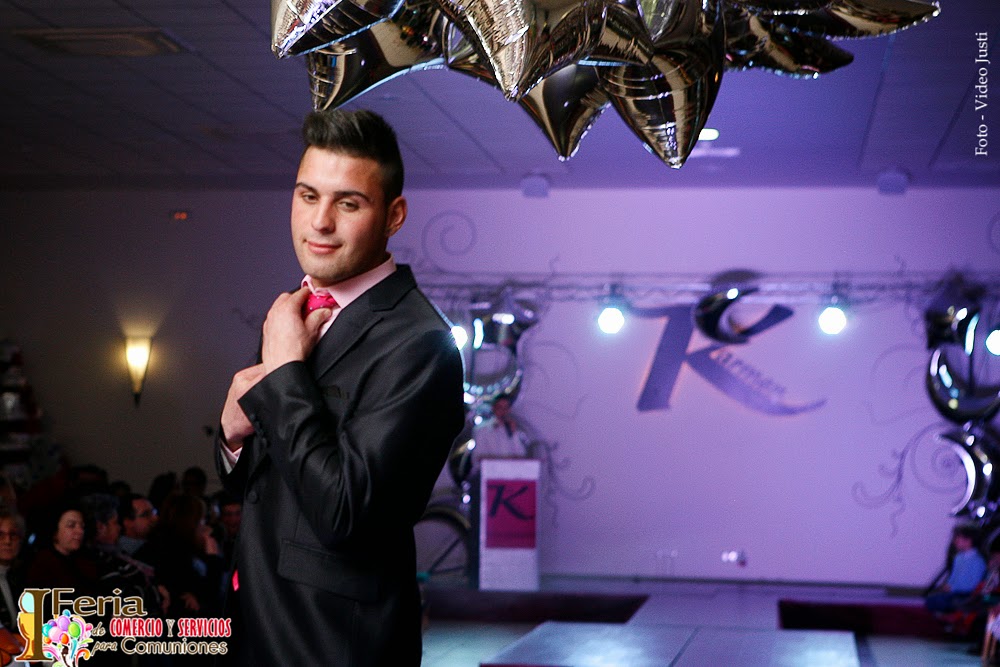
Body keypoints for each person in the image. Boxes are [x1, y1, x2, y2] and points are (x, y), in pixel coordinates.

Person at [216, 108, 465, 665]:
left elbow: (345, 515)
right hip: (257, 631)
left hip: (334, 647)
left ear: (394, 215)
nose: (320, 222)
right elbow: (266, 486)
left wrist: (284, 372)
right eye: (308, 196)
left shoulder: (420, 344)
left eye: (348, 204)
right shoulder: (297, 307)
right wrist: (231, 437)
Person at [927, 524, 988, 614]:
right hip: (953, 593)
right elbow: (953, 576)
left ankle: (954, 613)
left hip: (966, 594)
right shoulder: (958, 557)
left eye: (958, 538)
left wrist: (952, 588)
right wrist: (947, 585)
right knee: (932, 600)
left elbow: (974, 584)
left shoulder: (978, 561)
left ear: (969, 541)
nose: (955, 541)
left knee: (946, 602)